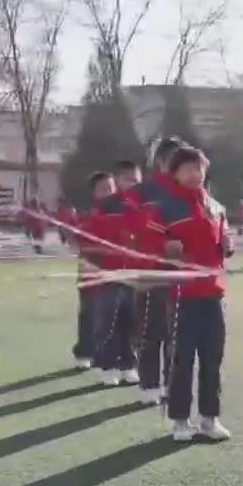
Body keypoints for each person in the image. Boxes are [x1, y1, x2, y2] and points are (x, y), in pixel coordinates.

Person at [158, 146, 233, 442]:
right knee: (182, 359)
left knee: (213, 357)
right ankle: (179, 421)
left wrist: (227, 246)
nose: (194, 173)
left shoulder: (216, 207)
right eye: (187, 168)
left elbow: (222, 247)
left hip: (213, 293)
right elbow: (154, 245)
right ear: (175, 174)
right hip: (182, 294)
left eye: (198, 167)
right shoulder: (167, 209)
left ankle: (209, 419)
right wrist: (166, 249)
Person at [123, 137, 187, 407]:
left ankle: (173, 385)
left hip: (183, 276)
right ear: (159, 161)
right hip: (151, 272)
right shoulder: (142, 193)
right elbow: (131, 232)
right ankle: (150, 384)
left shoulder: (190, 192)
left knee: (179, 335)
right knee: (151, 331)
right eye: (171, 159)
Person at [82, 166, 143, 387]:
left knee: (131, 322)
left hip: (133, 275)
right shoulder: (103, 209)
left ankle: (129, 364)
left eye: (136, 180)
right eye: (128, 180)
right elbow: (92, 241)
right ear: (119, 181)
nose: (133, 184)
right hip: (108, 275)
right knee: (108, 323)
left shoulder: (138, 205)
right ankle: (109, 366)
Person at [73, 172, 115, 371]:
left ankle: (104, 353)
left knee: (111, 317)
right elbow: (85, 245)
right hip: (92, 275)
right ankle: (84, 352)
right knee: (89, 314)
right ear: (94, 193)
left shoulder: (121, 214)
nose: (108, 192)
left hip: (114, 275)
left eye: (110, 187)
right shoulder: (89, 217)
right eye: (103, 189)